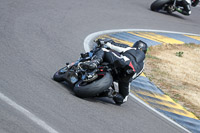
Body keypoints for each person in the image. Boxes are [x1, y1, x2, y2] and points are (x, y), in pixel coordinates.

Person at [81, 38, 148, 105]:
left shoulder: (130, 49)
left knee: (103, 50)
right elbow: (134, 76)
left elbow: (113, 45)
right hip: (128, 75)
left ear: (135, 46)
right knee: (123, 99)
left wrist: (103, 41)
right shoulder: (143, 65)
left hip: (122, 62)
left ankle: (94, 63)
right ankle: (112, 93)